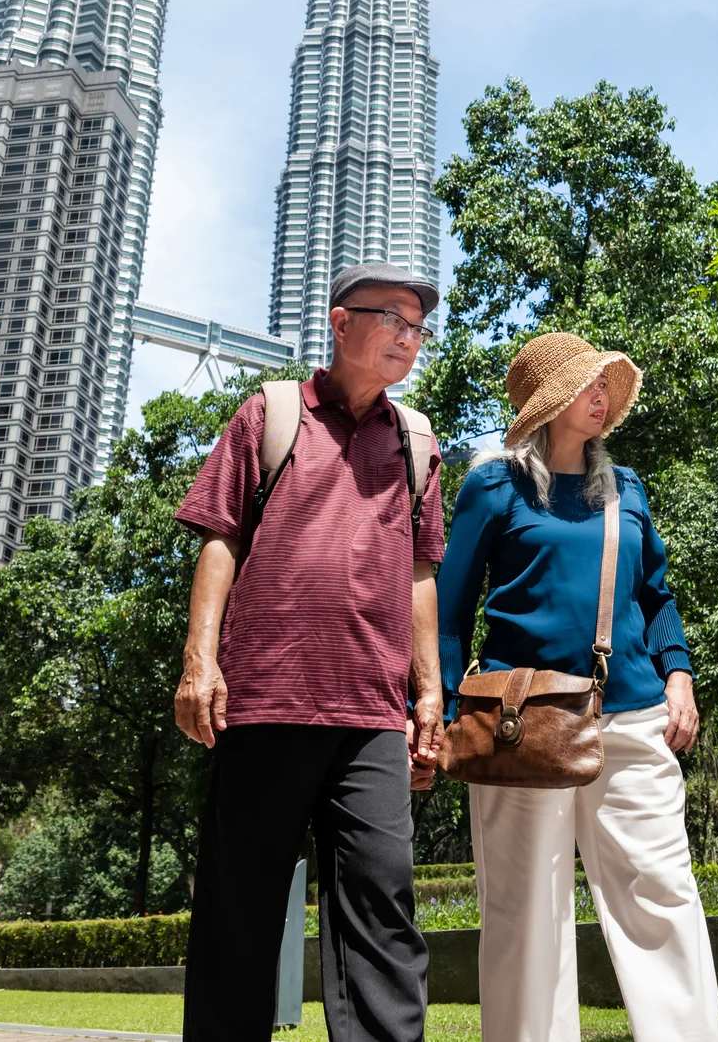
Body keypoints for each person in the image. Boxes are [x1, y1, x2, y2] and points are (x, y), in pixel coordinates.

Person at [173, 262, 448, 1042]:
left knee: (382, 916)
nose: (408, 335)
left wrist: (428, 692)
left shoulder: (418, 442)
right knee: (240, 912)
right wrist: (201, 661)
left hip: (371, 714)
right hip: (263, 698)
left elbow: (422, 571)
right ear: (338, 321)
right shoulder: (272, 412)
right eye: (391, 317)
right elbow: (220, 535)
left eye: (418, 325)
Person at [438, 332, 718, 1042]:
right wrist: (436, 714)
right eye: (586, 385)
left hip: (630, 714)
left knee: (661, 897)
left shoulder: (626, 490)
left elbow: (655, 596)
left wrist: (679, 674)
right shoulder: (492, 486)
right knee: (524, 912)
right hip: (518, 723)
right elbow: (449, 611)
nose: (601, 398)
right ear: (550, 401)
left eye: (606, 386)